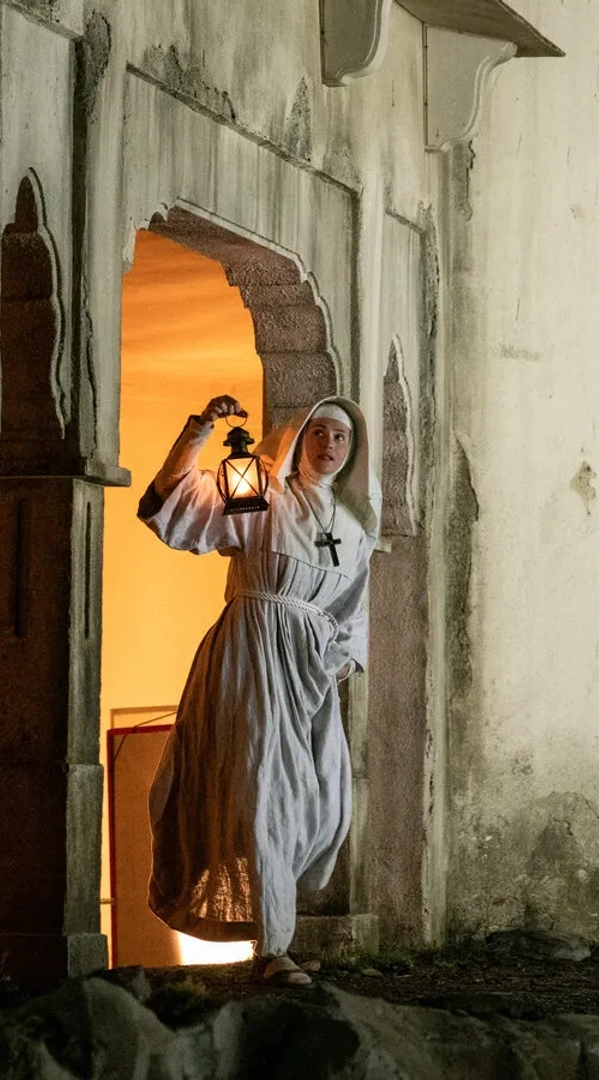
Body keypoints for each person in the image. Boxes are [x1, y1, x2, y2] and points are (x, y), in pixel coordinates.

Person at [136, 393, 377, 987]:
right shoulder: (259, 495)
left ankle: (277, 920)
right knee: (265, 787)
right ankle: (273, 948)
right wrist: (200, 432)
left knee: (323, 803)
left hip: (309, 671)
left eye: (341, 438)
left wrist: (337, 665)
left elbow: (353, 612)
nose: (329, 446)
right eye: (319, 433)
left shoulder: (353, 530)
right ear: (301, 440)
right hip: (248, 653)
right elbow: (178, 508)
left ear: (353, 452)